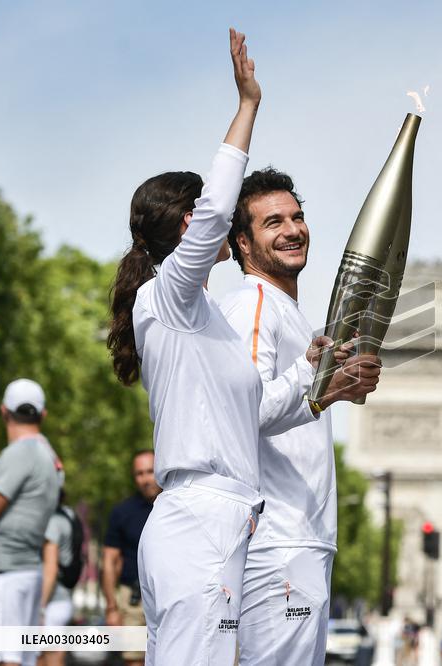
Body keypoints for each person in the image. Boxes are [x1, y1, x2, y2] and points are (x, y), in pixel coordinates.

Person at [106, 29, 325, 665]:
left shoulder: (210, 320)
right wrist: (247, 105)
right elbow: (215, 211)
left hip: (225, 523)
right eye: (205, 213)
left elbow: (256, 409)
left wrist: (315, 373)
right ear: (187, 226)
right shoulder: (166, 297)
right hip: (199, 520)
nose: (218, 221)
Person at [220, 167, 381, 665]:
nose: (292, 229)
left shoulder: (289, 313)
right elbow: (243, 412)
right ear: (243, 244)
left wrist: (335, 388)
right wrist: (321, 394)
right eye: (273, 222)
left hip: (302, 542)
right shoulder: (252, 304)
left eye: (297, 217)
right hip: (276, 544)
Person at [0, 378, 62, 666]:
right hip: (27, 571)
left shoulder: (20, 453)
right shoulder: (50, 456)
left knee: (4, 661)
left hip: (3, 575)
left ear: (4, 411)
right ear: (42, 415)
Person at [101, 450, 160, 666]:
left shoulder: (178, 506)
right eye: (139, 474)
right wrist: (111, 608)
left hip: (169, 596)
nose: (145, 479)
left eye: (150, 471)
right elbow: (109, 561)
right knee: (134, 660)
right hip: (132, 600)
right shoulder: (122, 512)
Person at [38, 490, 79, 666]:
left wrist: (40, 607)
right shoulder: (68, 516)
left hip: (51, 602)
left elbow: (51, 568)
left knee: (50, 656)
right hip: (61, 599)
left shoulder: (53, 522)